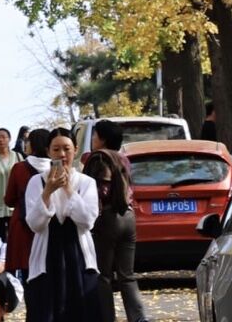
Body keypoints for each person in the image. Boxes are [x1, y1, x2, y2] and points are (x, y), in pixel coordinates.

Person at [23, 129, 101, 322]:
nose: (62, 154)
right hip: (47, 257)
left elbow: (87, 220)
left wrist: (67, 189)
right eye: (56, 149)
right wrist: (48, 191)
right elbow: (34, 224)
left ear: (75, 149)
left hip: (79, 257)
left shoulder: (86, 182)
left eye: (66, 148)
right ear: (48, 152)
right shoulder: (36, 182)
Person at [86, 121, 145, 322]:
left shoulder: (99, 158)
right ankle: (139, 318)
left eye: (94, 135)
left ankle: (106, 318)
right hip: (128, 217)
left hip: (108, 218)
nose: (92, 140)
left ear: (102, 138)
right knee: (127, 275)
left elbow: (100, 190)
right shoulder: (123, 159)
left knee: (103, 276)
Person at [4, 127, 52, 283]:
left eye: (28, 141)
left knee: (28, 273)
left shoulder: (19, 168)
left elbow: (9, 200)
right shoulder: (55, 168)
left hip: (23, 225)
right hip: (50, 225)